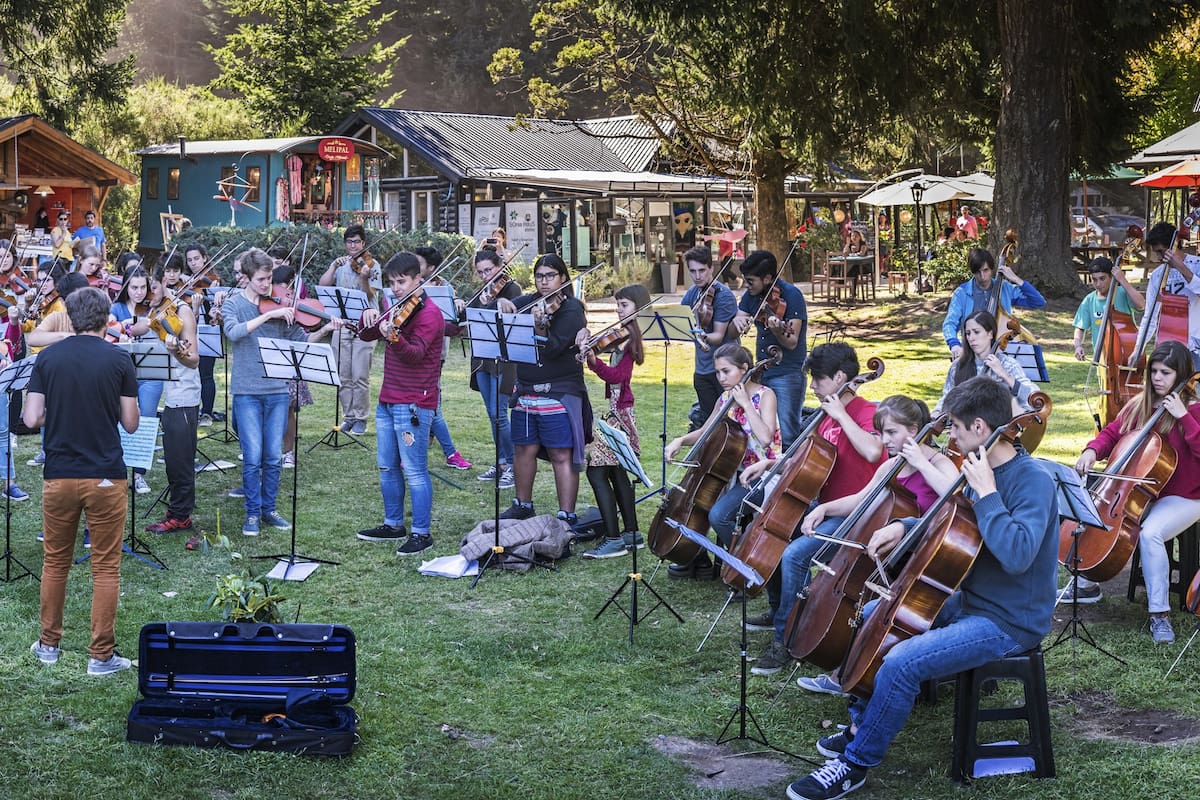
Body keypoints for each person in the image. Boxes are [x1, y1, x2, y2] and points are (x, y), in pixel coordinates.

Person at [784, 376, 1057, 800]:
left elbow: (1017, 554)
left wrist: (987, 495)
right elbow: (952, 523)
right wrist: (904, 525)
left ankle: (854, 765)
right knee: (876, 617)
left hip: (1010, 619)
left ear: (980, 428)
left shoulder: (1030, 481)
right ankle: (862, 722)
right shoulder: (976, 468)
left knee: (902, 661)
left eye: (957, 428)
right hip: (969, 600)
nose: (950, 435)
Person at [777, 395, 959, 695]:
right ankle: (840, 661)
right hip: (884, 553)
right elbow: (863, 499)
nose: (884, 440)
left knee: (872, 606)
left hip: (921, 560)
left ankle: (846, 674)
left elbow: (953, 502)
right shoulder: (891, 465)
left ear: (913, 431)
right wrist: (824, 509)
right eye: (880, 432)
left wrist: (921, 464)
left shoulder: (940, 464)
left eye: (891, 432)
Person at [741, 342, 885, 673]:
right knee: (773, 531)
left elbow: (874, 452)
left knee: (795, 555)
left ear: (839, 377)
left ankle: (785, 639)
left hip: (856, 513)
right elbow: (808, 453)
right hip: (823, 505)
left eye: (818, 380)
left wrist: (840, 416)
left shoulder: (865, 411)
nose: (814, 387)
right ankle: (782, 610)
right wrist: (769, 464)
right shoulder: (825, 415)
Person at [26, 286, 140, 676]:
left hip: (58, 474)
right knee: (106, 567)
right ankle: (101, 655)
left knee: (55, 562)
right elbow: (130, 423)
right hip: (106, 473)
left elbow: (30, 419)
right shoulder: (119, 358)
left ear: (69, 318)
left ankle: (48, 645)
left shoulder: (48, 358)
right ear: (107, 318)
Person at [1066, 341, 1200, 640]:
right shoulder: (1140, 404)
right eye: (1154, 371)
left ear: (1181, 376)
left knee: (1150, 532)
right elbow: (1112, 432)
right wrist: (1092, 450)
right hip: (1143, 489)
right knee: (1092, 511)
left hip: (1186, 495)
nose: (1157, 378)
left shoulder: (1195, 410)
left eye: (1165, 373)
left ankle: (1159, 614)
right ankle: (1088, 580)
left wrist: (1183, 417)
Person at [223, 248, 341, 536]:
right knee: (252, 456)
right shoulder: (233, 304)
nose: (268, 286)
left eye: (269, 279)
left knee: (274, 456)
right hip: (247, 390)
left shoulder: (281, 307)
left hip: (277, 389)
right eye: (262, 280)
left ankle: (269, 509)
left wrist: (325, 330)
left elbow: (301, 340)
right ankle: (251, 513)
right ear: (247, 278)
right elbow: (233, 332)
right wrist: (268, 315)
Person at [664, 343, 780, 577]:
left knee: (719, 515)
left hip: (765, 472)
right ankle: (699, 559)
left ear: (745, 368)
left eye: (726, 371)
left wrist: (746, 404)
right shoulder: (725, 398)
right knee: (695, 502)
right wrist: (679, 440)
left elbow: (766, 438)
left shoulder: (765, 396)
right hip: (733, 473)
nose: (720, 378)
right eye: (718, 372)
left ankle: (746, 566)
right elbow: (705, 432)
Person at [356, 252, 446, 555]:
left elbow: (415, 354)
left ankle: (422, 532)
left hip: (414, 403)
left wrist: (393, 336)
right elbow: (365, 332)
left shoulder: (430, 313)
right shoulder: (393, 307)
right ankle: (393, 524)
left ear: (417, 279)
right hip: (388, 399)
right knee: (386, 467)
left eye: (401, 282)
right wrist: (367, 317)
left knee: (415, 470)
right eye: (392, 283)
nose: (395, 289)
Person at [497, 253, 590, 524]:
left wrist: (538, 327)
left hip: (559, 391)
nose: (544, 282)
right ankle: (522, 504)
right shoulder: (529, 301)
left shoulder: (571, 309)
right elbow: (503, 306)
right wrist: (502, 301)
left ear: (562, 278)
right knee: (523, 449)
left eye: (550, 276)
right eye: (539, 276)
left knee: (561, 453)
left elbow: (554, 348)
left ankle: (566, 514)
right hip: (526, 389)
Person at [575, 284, 653, 559]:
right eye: (617, 304)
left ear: (639, 308)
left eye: (624, 305)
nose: (618, 310)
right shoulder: (623, 336)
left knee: (596, 473)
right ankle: (632, 533)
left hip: (620, 414)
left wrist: (594, 362)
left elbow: (617, 376)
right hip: (619, 409)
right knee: (617, 473)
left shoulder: (631, 338)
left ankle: (613, 538)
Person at [142, 271, 201, 539]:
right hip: (170, 391)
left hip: (184, 392)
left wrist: (175, 348)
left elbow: (194, 359)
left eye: (151, 288)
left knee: (180, 458)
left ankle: (181, 516)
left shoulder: (182, 311)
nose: (147, 295)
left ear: (163, 283)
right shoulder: (158, 312)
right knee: (173, 456)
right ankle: (178, 509)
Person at [459, 248, 522, 489]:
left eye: (489, 270)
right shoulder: (482, 291)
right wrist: (461, 304)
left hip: (502, 361)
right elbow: (469, 317)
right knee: (492, 414)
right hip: (482, 358)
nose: (486, 276)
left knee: (500, 414)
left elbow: (511, 323)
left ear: (499, 266)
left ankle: (514, 465)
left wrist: (492, 303)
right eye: (481, 272)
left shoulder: (512, 289)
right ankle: (502, 462)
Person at [733, 249, 808, 449]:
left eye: (750, 281)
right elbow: (740, 315)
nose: (746, 286)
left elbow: (791, 341)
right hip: (762, 370)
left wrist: (777, 331)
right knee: (762, 430)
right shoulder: (752, 295)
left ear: (767, 279)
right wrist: (738, 320)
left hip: (788, 372)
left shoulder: (791, 295)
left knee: (787, 433)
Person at [318, 224, 380, 436]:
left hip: (366, 324)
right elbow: (324, 285)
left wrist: (364, 277)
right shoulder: (342, 265)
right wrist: (333, 268)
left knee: (360, 374)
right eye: (349, 242)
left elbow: (371, 295)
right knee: (342, 374)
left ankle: (361, 418)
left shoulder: (373, 265)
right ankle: (349, 416)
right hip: (343, 323)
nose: (353, 246)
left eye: (357, 242)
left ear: (363, 243)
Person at [414, 245, 471, 471]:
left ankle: (449, 452)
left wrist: (458, 308)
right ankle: (429, 450)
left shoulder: (444, 288)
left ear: (431, 268)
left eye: (419, 264)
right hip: (412, 350)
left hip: (434, 354)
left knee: (432, 405)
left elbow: (451, 326)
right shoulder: (410, 285)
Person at [108, 265, 164, 494]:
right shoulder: (117, 308)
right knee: (121, 419)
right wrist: (118, 331)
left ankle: (139, 474)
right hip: (123, 373)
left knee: (147, 419)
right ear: (126, 287)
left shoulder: (154, 308)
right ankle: (119, 467)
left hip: (150, 373)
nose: (139, 292)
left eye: (143, 287)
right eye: (134, 287)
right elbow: (109, 332)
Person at [942, 248, 1044, 360]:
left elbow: (1038, 302)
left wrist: (1016, 279)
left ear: (992, 269)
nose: (983, 276)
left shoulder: (1004, 288)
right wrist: (954, 345)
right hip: (972, 352)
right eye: (978, 272)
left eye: (986, 270)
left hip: (1001, 351)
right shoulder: (961, 293)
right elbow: (950, 323)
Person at [932, 310, 1037, 416]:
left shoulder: (1007, 364)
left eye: (976, 332)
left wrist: (1004, 374)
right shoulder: (958, 366)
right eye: (968, 333)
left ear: (990, 334)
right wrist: (936, 413)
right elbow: (947, 397)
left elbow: (1033, 397)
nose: (971, 338)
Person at [681, 245, 740, 425]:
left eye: (702, 270)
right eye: (693, 271)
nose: (697, 276)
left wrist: (700, 335)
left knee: (729, 423)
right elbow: (682, 318)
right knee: (708, 422)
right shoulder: (692, 293)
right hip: (702, 367)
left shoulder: (723, 296)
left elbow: (718, 336)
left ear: (711, 268)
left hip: (725, 367)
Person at [1136, 221, 1200, 366]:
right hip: (1169, 347)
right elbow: (1150, 316)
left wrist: (1180, 267)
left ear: (1174, 246)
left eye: (1161, 251)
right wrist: (1138, 348)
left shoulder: (1197, 265)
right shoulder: (1157, 275)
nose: (1158, 257)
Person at [1073, 255, 1146, 361]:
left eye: (1102, 279)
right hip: (1102, 356)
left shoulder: (1122, 293)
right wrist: (1078, 345)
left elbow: (1141, 305)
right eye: (1094, 279)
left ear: (1111, 277)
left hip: (1126, 354)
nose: (1098, 284)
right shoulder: (1089, 300)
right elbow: (1080, 327)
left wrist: (1122, 280)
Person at [184, 243, 223, 426]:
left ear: (205, 258)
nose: (193, 263)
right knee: (192, 373)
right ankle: (192, 410)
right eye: (190, 260)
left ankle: (206, 413)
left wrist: (212, 292)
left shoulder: (213, 280)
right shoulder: (183, 280)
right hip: (188, 331)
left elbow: (214, 310)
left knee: (206, 373)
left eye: (196, 259)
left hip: (207, 330)